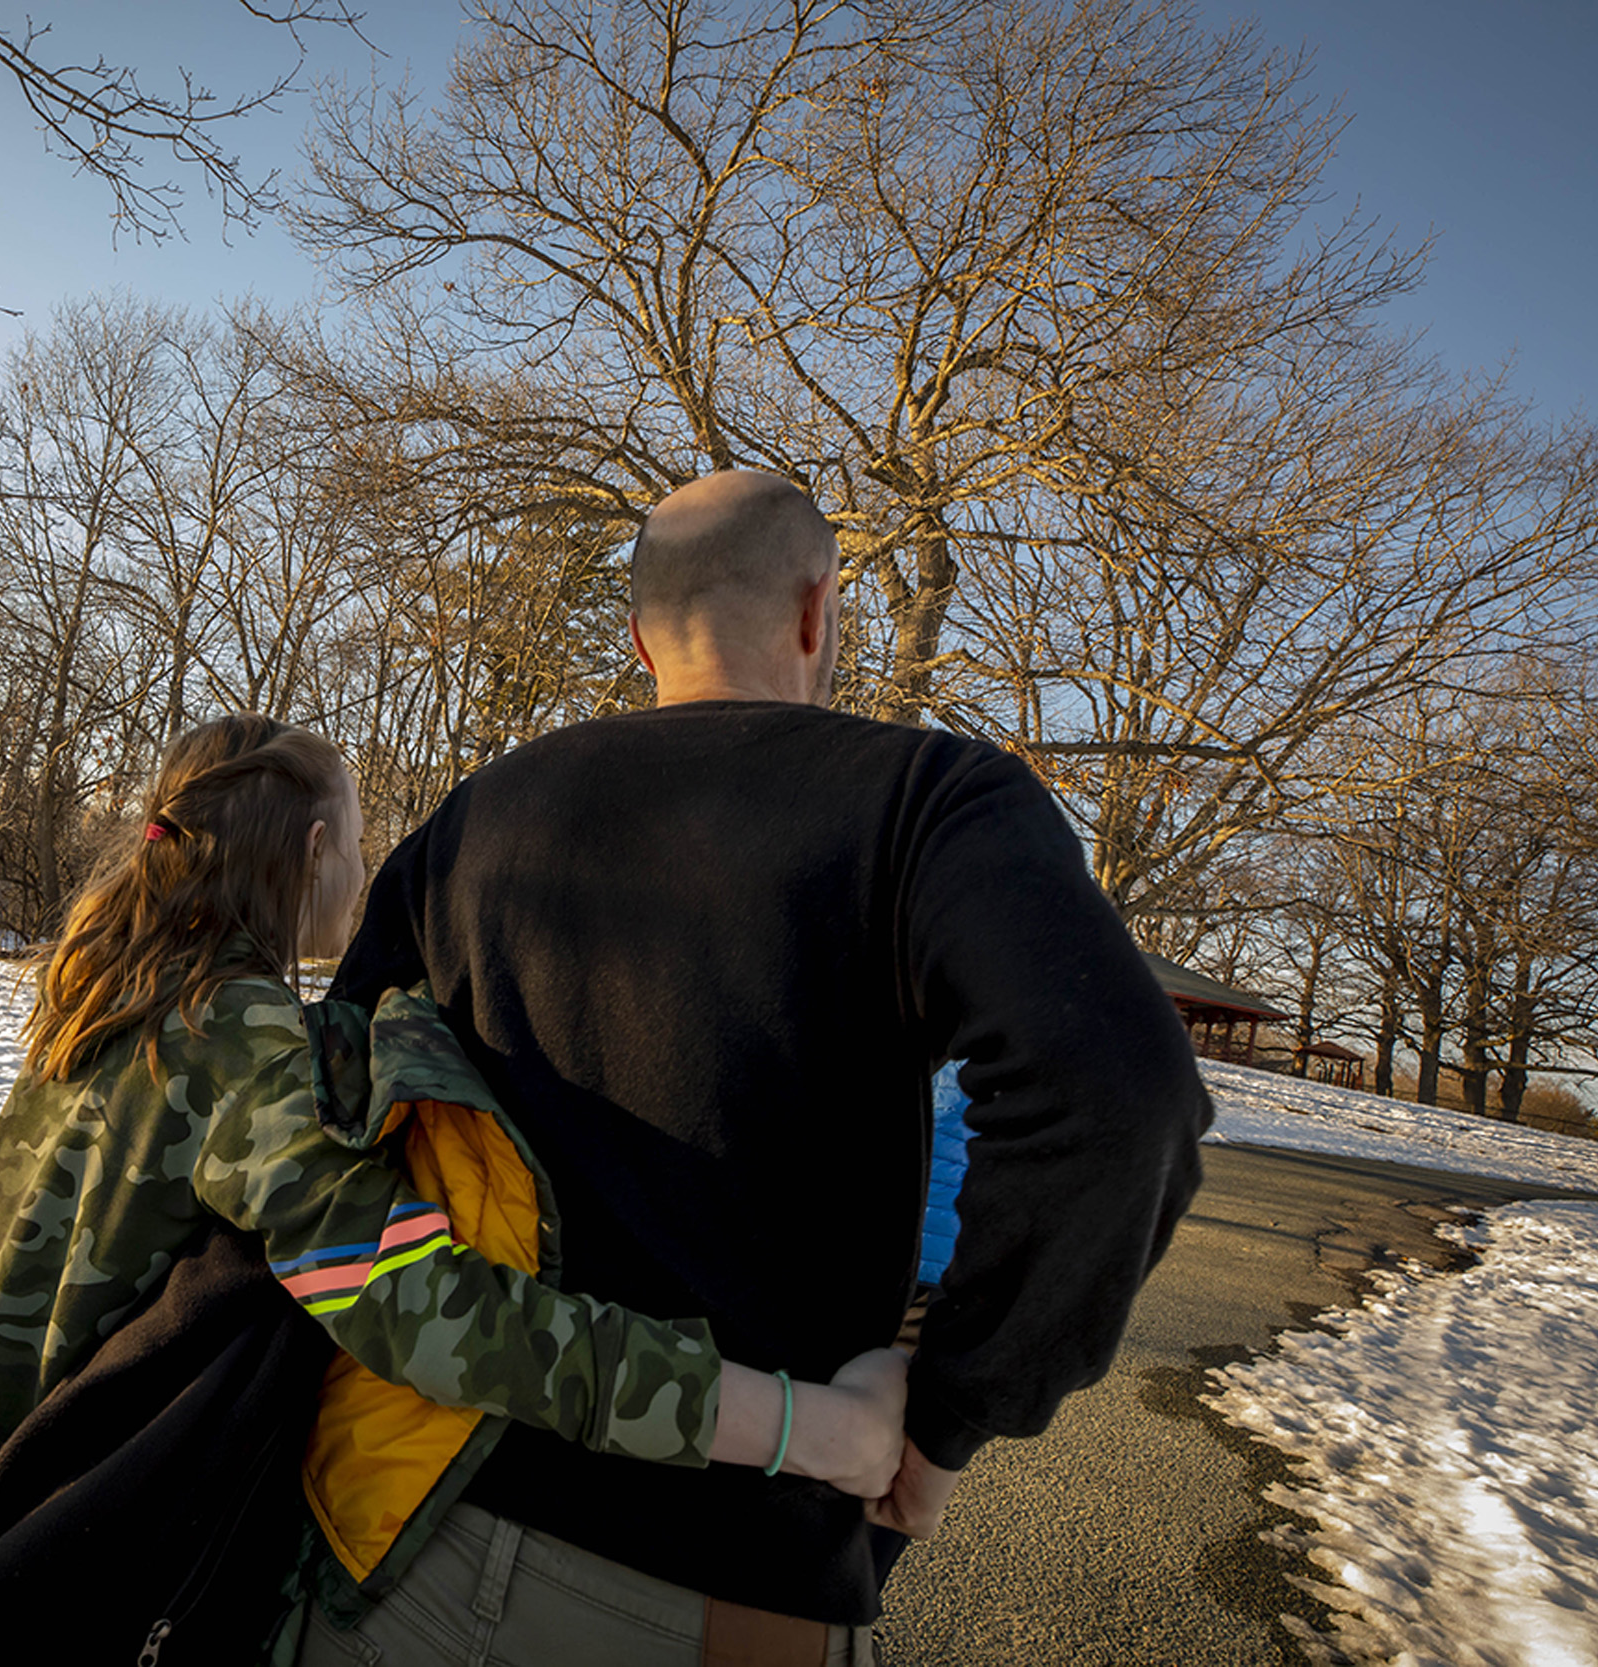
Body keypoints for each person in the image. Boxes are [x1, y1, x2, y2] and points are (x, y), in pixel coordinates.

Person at [314, 471, 1213, 1664]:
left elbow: (335, 1128)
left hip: (409, 1533)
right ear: (818, 613)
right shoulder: (929, 800)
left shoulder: (474, 820)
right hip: (721, 1591)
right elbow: (1117, 1102)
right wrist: (943, 1414)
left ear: (640, 636)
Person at [0, 712, 914, 1667]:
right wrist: (798, 1425)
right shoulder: (236, 1039)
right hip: (2, 1586)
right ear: (321, 846)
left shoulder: (113, 996)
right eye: (362, 843)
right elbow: (427, 1319)